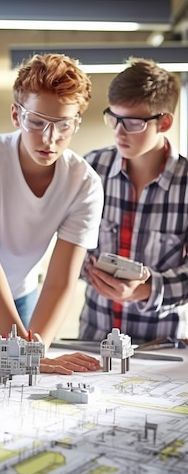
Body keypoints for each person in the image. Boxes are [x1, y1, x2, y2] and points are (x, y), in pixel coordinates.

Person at [0, 53, 103, 375]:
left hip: (20, 297)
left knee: (22, 383)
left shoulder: (85, 184)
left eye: (63, 125)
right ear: (16, 115)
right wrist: (26, 350)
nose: (49, 139)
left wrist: (34, 350)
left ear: (76, 124)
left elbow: (60, 281)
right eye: (37, 122)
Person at [79, 57, 188, 343]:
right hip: (94, 339)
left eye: (132, 122)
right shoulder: (92, 168)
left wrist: (144, 290)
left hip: (160, 349)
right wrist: (85, 268)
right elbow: (67, 245)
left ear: (164, 122)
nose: (118, 131)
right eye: (113, 118)